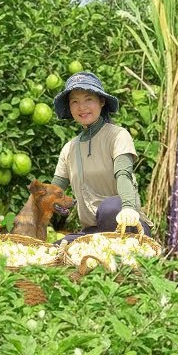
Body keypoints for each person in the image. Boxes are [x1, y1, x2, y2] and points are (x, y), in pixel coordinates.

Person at [49, 71, 152, 243]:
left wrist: (128, 207)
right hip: (93, 232)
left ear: (101, 101)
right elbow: (53, 190)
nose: (82, 107)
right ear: (69, 107)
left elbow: (123, 174)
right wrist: (33, 212)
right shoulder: (69, 149)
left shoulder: (117, 136)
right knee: (56, 248)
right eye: (75, 101)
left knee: (110, 208)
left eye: (88, 99)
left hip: (126, 226)